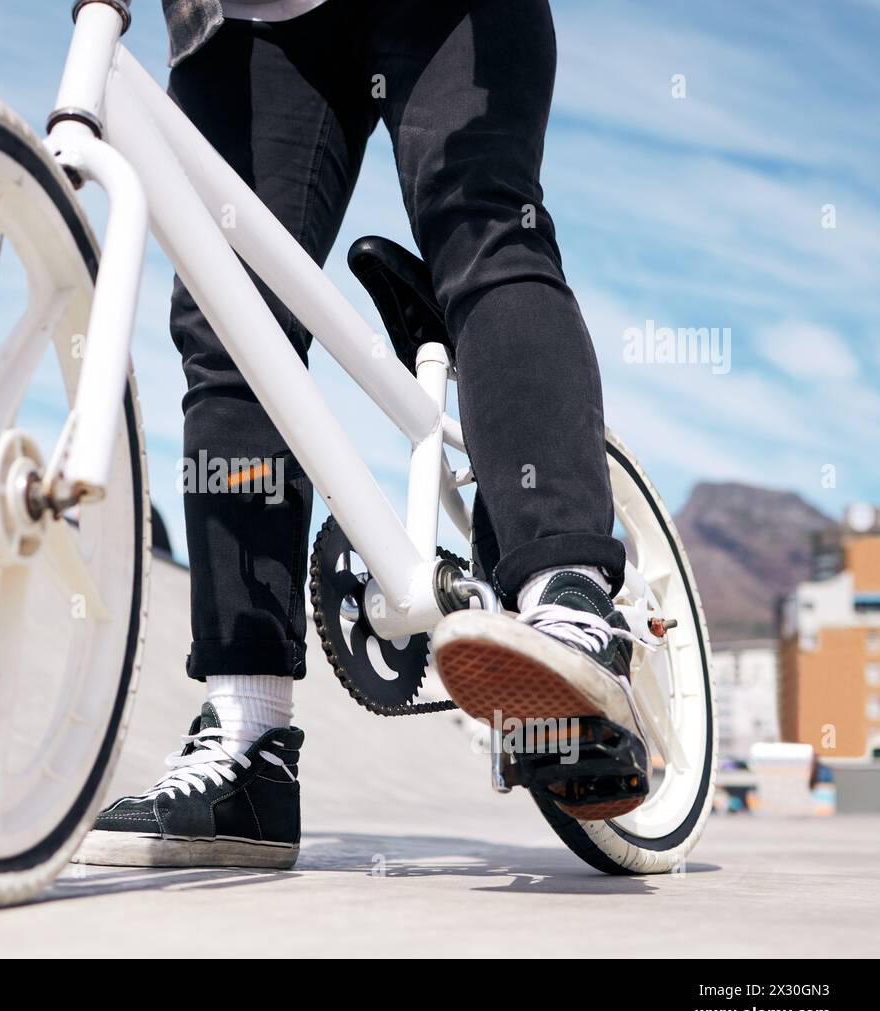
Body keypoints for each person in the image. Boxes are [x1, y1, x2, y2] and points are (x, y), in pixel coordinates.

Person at [74, 0, 654, 869]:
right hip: (244, 21)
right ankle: (248, 744)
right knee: (230, 321)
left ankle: (569, 608)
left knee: (485, 229)